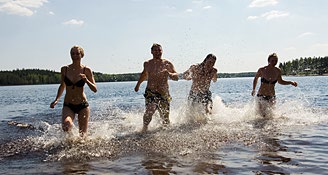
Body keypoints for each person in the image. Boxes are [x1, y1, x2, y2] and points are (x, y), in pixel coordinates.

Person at [50, 45, 97, 138]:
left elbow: (95, 89)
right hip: (68, 104)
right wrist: (56, 100)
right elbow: (62, 85)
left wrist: (86, 80)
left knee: (83, 135)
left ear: (81, 55)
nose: (75, 56)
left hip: (82, 105)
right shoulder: (65, 69)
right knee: (66, 126)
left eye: (77, 54)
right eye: (72, 54)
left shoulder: (86, 70)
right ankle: (70, 141)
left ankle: (77, 146)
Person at [134, 43, 179, 132]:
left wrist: (170, 74)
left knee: (165, 118)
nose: (158, 52)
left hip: (164, 93)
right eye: (155, 50)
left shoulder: (167, 63)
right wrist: (137, 85)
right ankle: (144, 129)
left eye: (159, 50)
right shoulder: (147, 64)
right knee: (149, 110)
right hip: (151, 92)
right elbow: (144, 75)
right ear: (151, 52)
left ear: (162, 51)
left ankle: (165, 132)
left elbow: (176, 77)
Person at [251, 53, 297, 117]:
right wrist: (253, 89)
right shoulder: (262, 70)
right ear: (268, 61)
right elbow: (255, 79)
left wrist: (291, 82)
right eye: (272, 61)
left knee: (270, 117)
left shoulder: (277, 71)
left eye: (276, 61)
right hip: (261, 96)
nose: (274, 62)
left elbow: (280, 81)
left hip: (271, 97)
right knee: (261, 116)